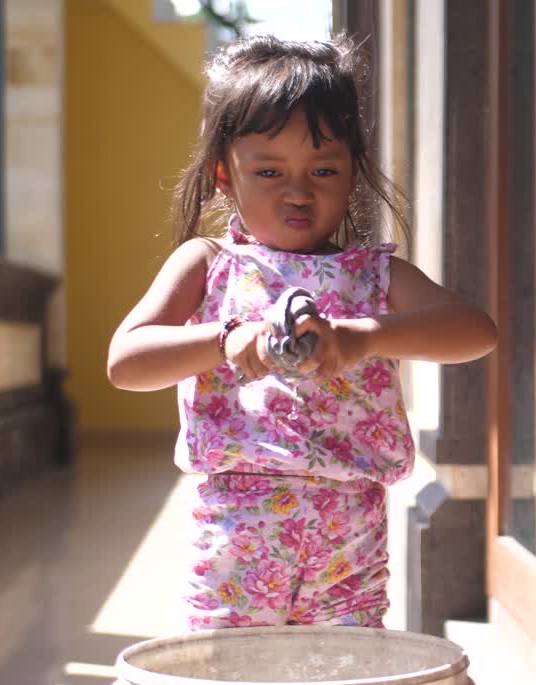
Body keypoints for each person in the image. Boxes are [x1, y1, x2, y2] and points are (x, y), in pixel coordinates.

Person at [106, 35, 498, 630]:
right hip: (237, 538)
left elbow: (476, 332)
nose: (298, 190)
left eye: (323, 169)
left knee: (342, 679)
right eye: (269, 171)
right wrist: (226, 339)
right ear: (222, 173)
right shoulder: (208, 263)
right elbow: (126, 362)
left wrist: (359, 339)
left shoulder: (374, 275)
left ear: (353, 172)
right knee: (232, 683)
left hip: (351, 540)